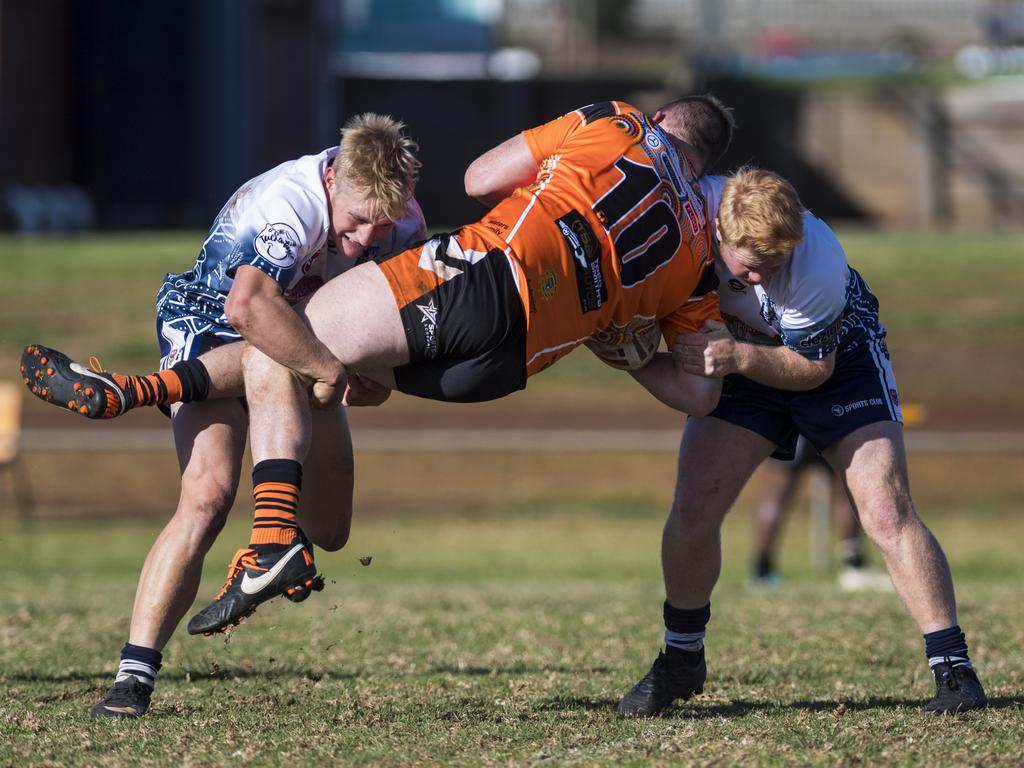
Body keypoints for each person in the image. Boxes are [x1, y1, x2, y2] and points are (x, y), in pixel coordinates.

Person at [24, 95, 735, 637]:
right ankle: (144, 415)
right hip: (508, 364)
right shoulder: (700, 250)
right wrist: (625, 351)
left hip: (488, 275)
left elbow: (483, 175)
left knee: (289, 342)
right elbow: (701, 396)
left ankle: (211, 477)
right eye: (358, 225)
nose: (365, 239)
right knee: (284, 390)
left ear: (661, 117)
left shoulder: (613, 120)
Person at [22, 113, 426, 719]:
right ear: (334, 180)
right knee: (207, 495)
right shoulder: (289, 203)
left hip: (297, 339)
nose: (370, 237)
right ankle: (132, 678)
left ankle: (141, 397)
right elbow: (248, 309)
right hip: (210, 324)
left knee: (331, 529)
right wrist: (334, 371)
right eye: (359, 218)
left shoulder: (405, 225)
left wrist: (372, 376)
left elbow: (396, 337)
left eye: (384, 222)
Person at [616, 168, 987, 717]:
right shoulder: (686, 215)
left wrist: (738, 358)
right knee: (694, 508)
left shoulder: (819, 262)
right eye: (750, 266)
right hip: (744, 354)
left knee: (886, 508)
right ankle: (681, 658)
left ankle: (954, 668)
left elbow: (814, 368)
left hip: (835, 359)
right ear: (720, 232)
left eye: (774, 265)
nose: (761, 280)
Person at [751, 434, 893, 591]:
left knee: (774, 498)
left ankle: (762, 572)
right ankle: (853, 565)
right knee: (846, 493)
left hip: (790, 428)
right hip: (827, 423)